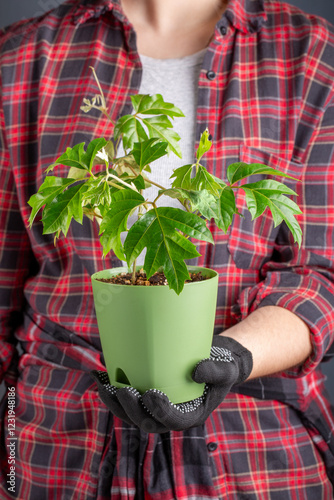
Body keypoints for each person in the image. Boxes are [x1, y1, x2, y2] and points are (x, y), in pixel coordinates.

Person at [1, 0, 334, 497]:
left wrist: (235, 356)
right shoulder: (24, 55)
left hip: (253, 452)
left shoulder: (310, 54)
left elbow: (319, 275)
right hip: (51, 445)